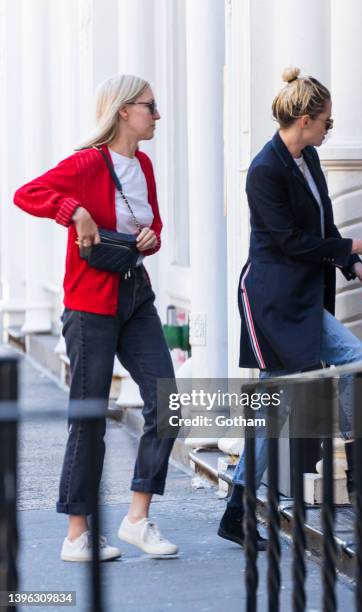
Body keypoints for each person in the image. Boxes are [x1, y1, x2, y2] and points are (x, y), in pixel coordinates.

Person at [218, 66, 362, 549]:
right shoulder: (265, 169)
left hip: (302, 300)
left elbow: (323, 229)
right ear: (304, 118)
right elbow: (290, 241)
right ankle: (238, 510)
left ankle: (361, 469)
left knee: (357, 362)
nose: (328, 131)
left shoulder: (307, 159)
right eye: (326, 123)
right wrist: (355, 243)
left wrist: (352, 263)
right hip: (271, 301)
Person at [14, 74, 179, 561]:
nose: (157, 115)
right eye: (150, 106)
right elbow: (27, 193)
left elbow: (152, 225)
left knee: (167, 402)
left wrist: (151, 239)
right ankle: (76, 535)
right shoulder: (88, 163)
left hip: (136, 297)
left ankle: (136, 518)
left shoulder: (143, 165)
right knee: (89, 417)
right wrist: (75, 210)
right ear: (125, 110)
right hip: (90, 303)